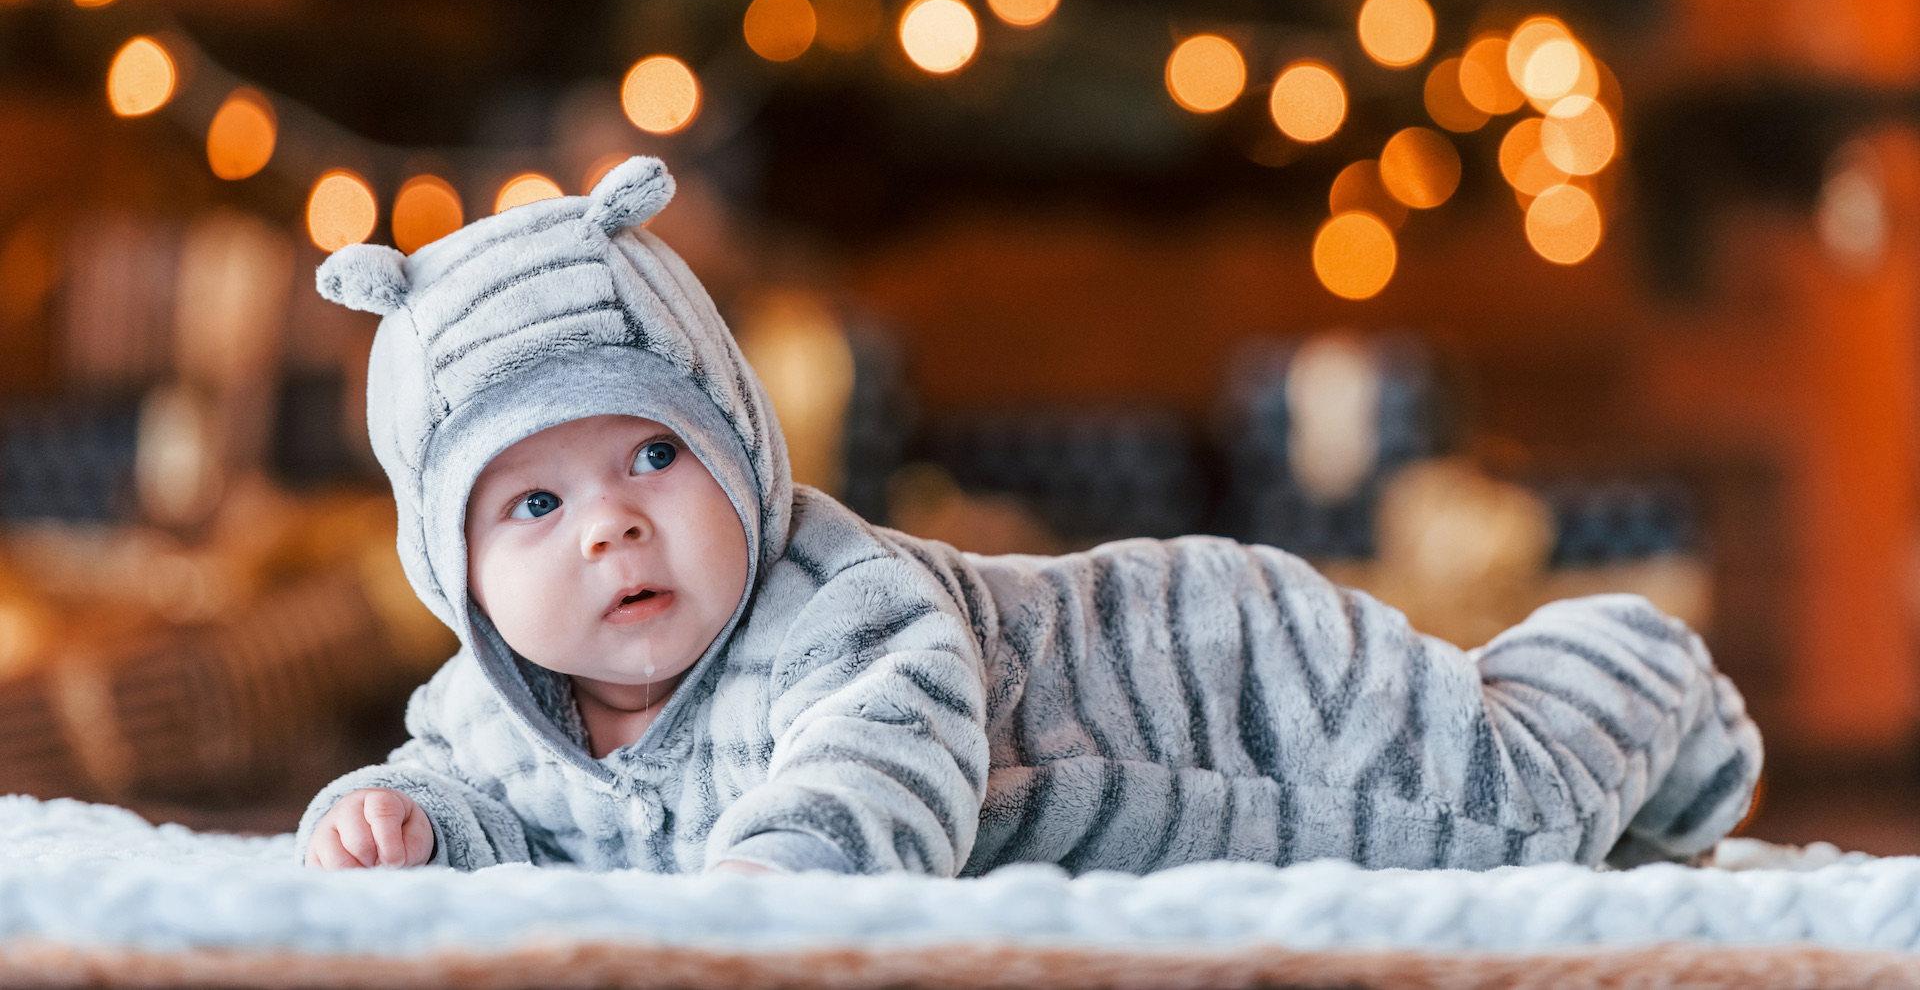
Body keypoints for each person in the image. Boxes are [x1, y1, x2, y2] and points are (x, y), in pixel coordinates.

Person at [298, 156, 1761, 876]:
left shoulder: (843, 608)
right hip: (1178, 698)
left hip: (1210, 677)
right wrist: (402, 825)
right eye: (536, 503)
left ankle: (1635, 670)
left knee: (1516, 814)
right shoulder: (494, 707)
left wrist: (778, 889)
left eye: (655, 460)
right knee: (1535, 826)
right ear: (455, 572)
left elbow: (884, 770)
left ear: (742, 449)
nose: (609, 528)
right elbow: (487, 808)